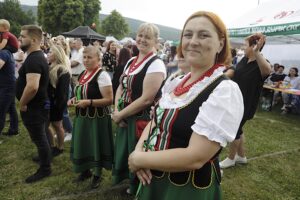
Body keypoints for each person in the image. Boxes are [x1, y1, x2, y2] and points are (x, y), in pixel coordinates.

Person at [127, 11, 243, 199]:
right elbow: (155, 121)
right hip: (153, 178)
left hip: (184, 190)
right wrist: (139, 152)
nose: (193, 41)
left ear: (220, 44)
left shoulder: (224, 91)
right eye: (188, 35)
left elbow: (195, 157)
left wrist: (138, 159)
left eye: (203, 35)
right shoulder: (178, 82)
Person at [112, 23, 166, 195]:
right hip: (126, 116)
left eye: (147, 37)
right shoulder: (131, 61)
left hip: (142, 120)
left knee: (138, 153)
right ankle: (131, 185)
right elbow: (121, 87)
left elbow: (146, 99)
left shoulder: (156, 64)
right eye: (140, 35)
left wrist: (120, 114)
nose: (142, 40)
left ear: (155, 41)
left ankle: (138, 190)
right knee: (126, 151)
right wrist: (116, 110)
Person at [219, 33, 271, 169]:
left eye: (245, 45)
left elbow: (267, 71)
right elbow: (235, 72)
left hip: (245, 104)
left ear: (253, 47)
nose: (242, 48)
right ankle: (241, 157)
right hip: (235, 100)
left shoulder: (261, 63)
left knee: (235, 130)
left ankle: (231, 159)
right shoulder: (244, 60)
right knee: (239, 130)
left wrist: (257, 52)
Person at [69, 46, 114, 189]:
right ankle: (85, 171)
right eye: (85, 57)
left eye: (90, 57)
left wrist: (89, 102)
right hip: (82, 116)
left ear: (98, 59)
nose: (86, 60)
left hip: (97, 119)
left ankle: (97, 174)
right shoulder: (83, 73)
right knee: (84, 143)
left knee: (96, 144)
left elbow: (109, 99)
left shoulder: (102, 75)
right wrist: (73, 99)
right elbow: (80, 92)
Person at [16, 25, 52, 183]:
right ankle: (45, 157)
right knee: (42, 135)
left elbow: (32, 86)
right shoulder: (35, 56)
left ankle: (45, 169)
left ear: (34, 39)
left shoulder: (35, 59)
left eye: (23, 36)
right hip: (39, 105)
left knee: (39, 138)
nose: (19, 39)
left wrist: (22, 104)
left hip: (34, 107)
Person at [47, 44, 71, 156]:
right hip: (47, 102)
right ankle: (51, 146)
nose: (48, 54)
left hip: (56, 103)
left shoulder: (63, 70)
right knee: (46, 125)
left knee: (57, 126)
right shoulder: (49, 66)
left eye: (51, 52)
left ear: (56, 54)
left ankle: (60, 147)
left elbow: (62, 92)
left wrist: (58, 105)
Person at [0, 49, 18, 136]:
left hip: (7, 87)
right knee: (11, 108)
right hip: (8, 85)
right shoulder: (6, 52)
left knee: (1, 110)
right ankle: (14, 130)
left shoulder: (3, 53)